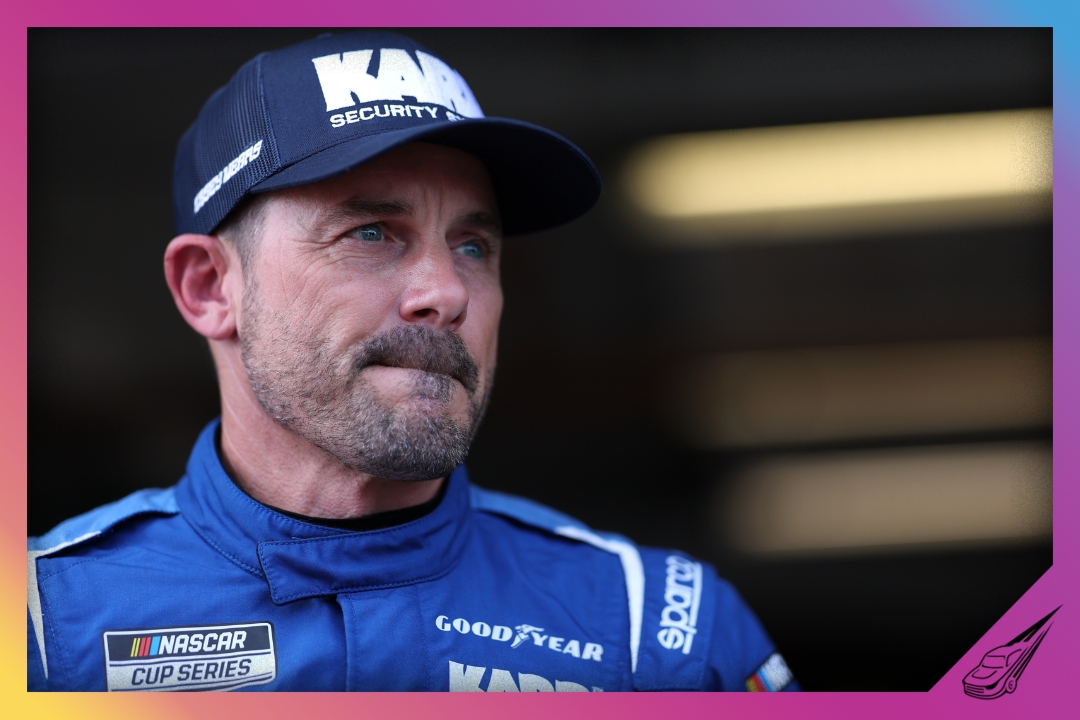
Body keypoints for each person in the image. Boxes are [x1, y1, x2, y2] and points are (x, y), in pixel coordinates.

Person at [27, 31, 797, 693]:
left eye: (474, 246)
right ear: (210, 287)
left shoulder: (658, 634)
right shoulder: (41, 623)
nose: (447, 292)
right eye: (371, 234)